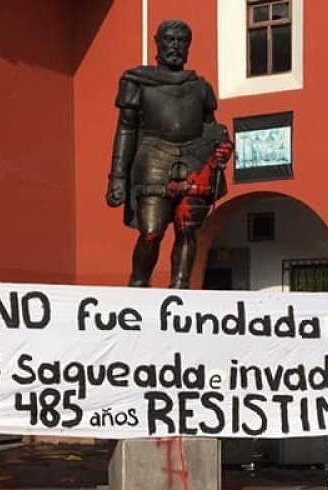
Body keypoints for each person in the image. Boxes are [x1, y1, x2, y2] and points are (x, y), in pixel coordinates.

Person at [106, 19, 232, 289]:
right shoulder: (137, 81)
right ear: (157, 43)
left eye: (182, 40)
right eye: (169, 39)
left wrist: (222, 147)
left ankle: (181, 289)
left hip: (194, 160)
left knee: (187, 229)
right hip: (153, 158)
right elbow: (126, 129)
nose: (175, 45)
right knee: (151, 231)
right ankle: (139, 285)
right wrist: (117, 176)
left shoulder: (200, 87)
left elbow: (211, 128)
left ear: (188, 46)